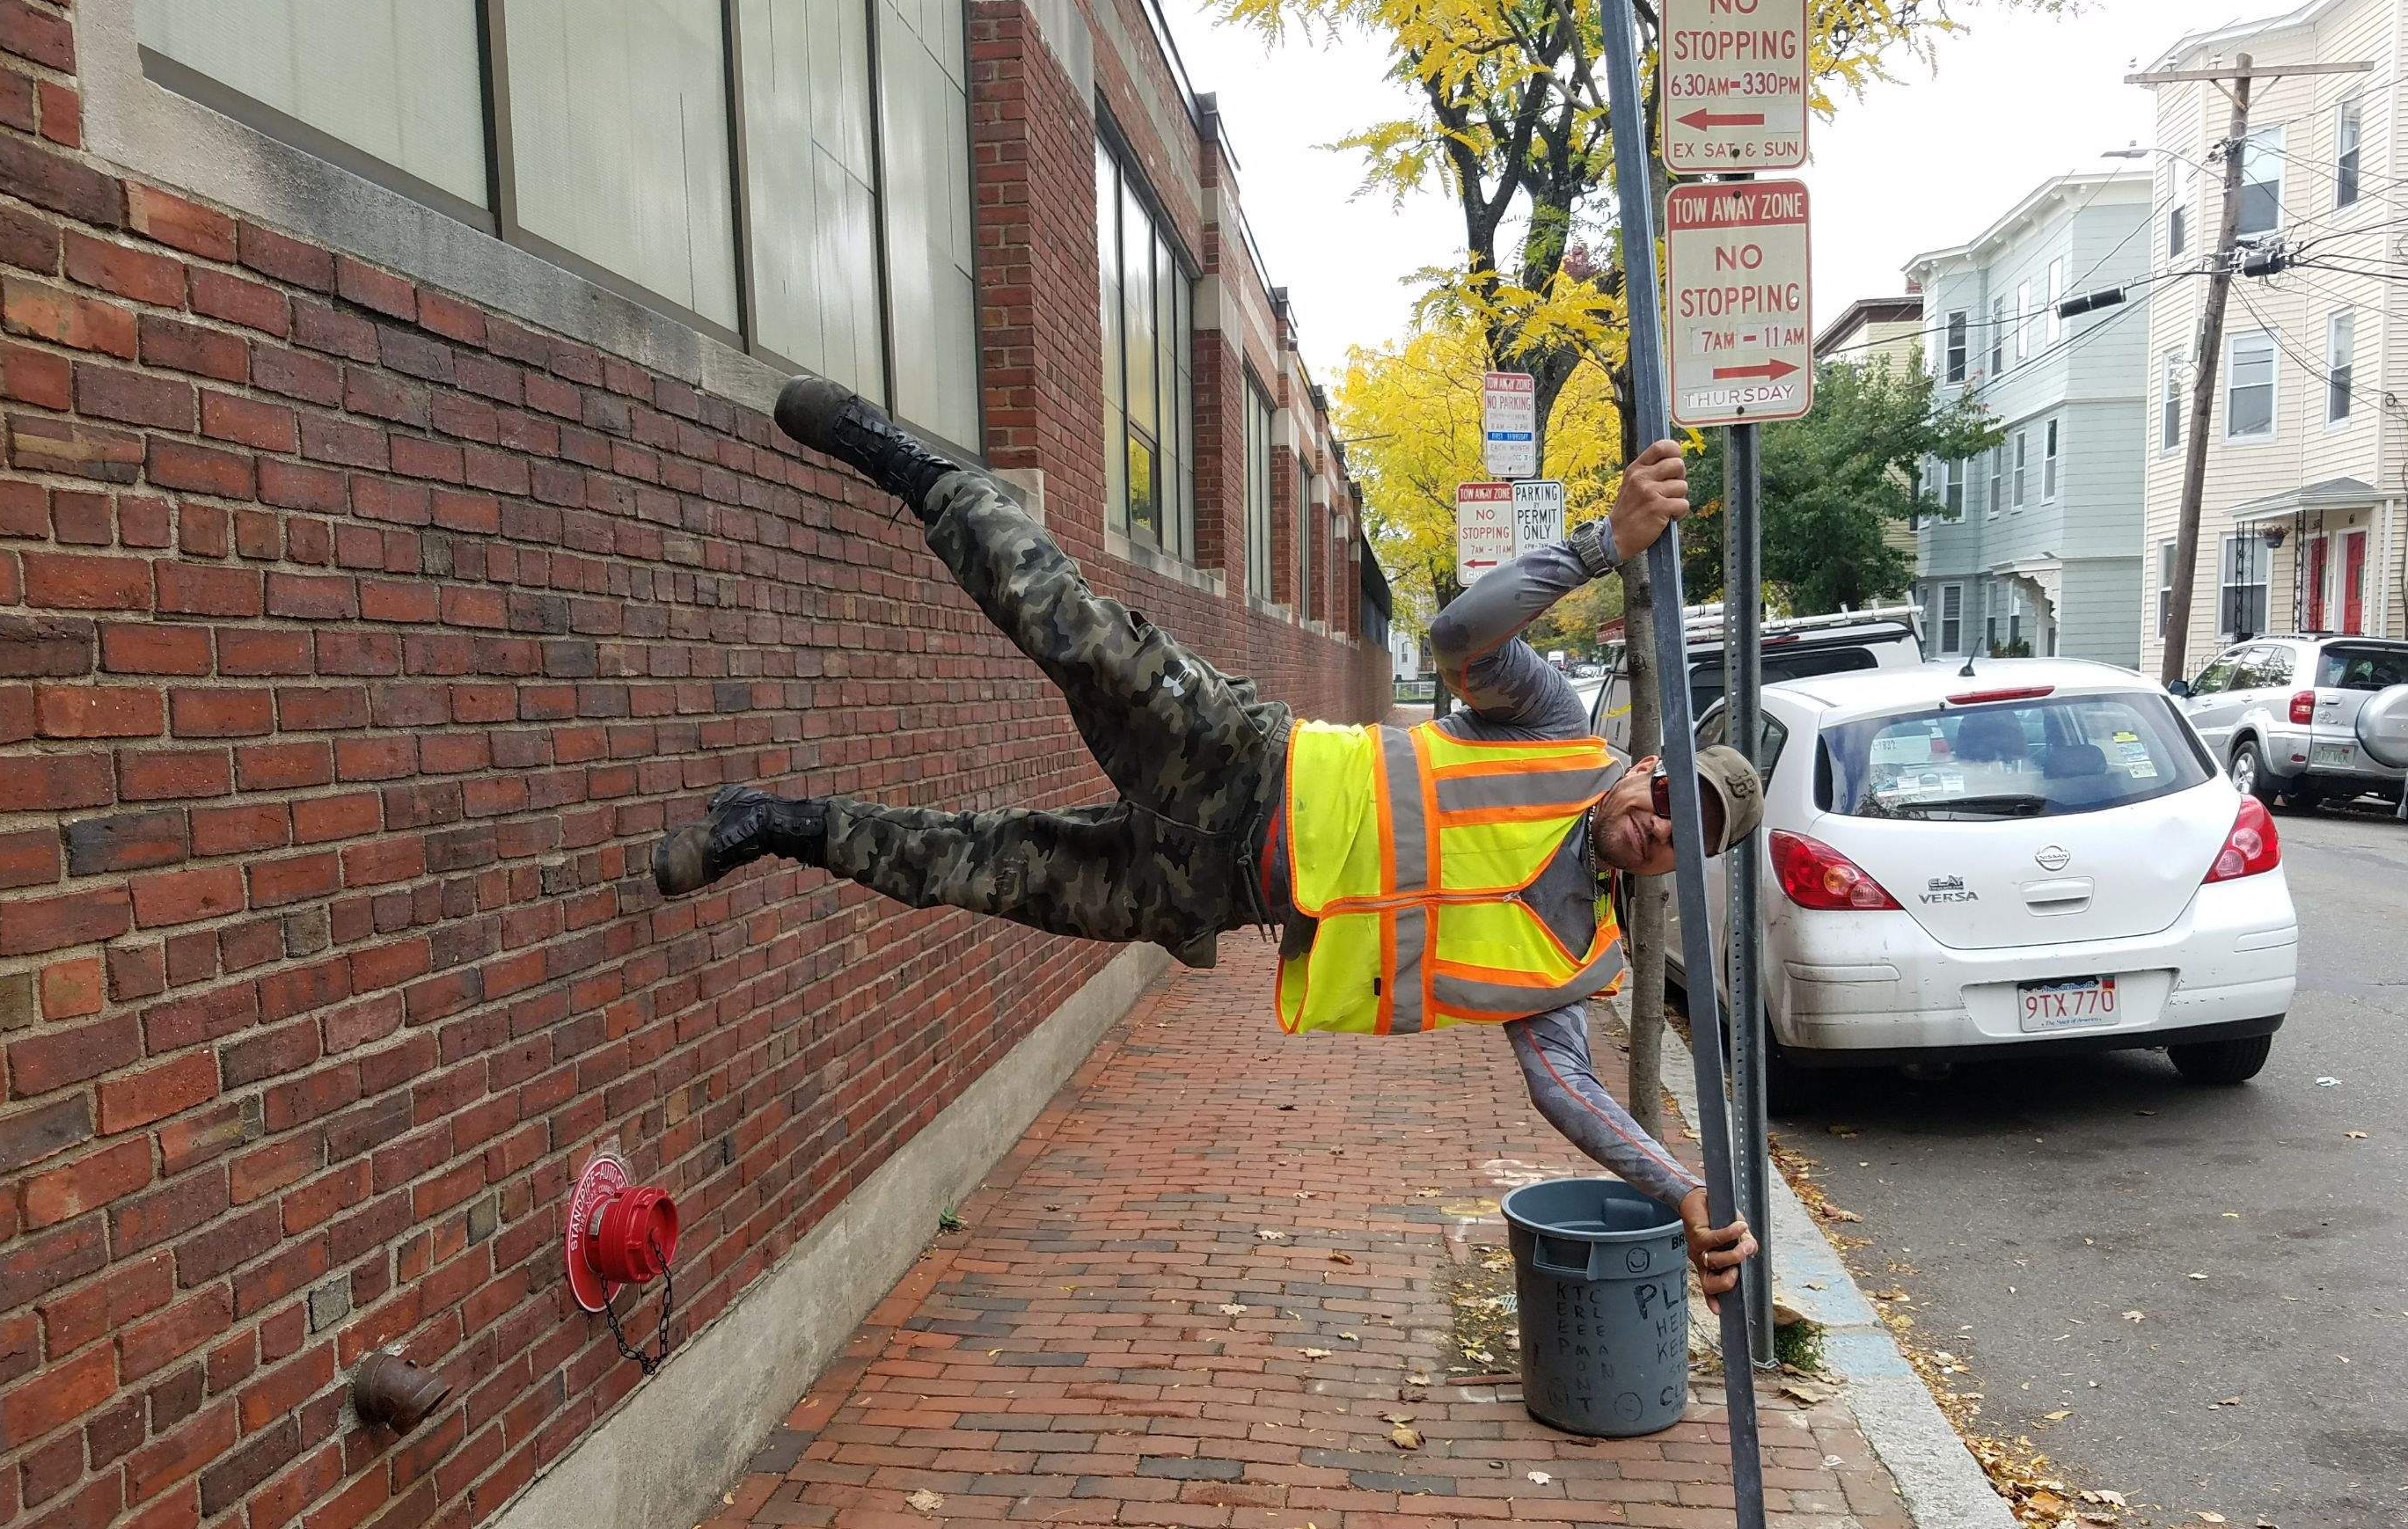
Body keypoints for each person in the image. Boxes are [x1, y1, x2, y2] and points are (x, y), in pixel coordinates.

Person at [655, 377, 1760, 1296]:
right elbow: (1462, 635)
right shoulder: (1557, 731)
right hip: (1241, 756)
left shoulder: (1576, 965)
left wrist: (1682, 1189)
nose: (1657, 828)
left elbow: (1566, 1093)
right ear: (1654, 765)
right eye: (1671, 800)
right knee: (1070, 628)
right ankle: (900, 461)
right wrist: (1600, 546)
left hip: (1212, 889)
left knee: (979, 872)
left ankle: (774, 826)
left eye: (1681, 843)